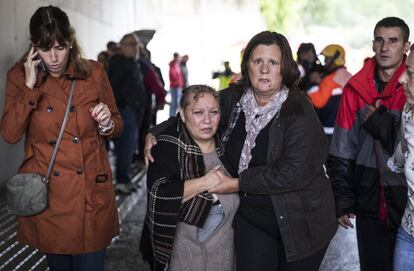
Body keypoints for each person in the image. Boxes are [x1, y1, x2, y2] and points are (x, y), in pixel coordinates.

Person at [145, 31, 337, 271]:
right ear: (248, 66)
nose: (264, 69)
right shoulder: (234, 98)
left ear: (284, 67)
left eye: (273, 62)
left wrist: (237, 183)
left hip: (302, 221)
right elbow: (194, 111)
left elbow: (293, 172)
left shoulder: (299, 111)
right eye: (258, 61)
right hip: (253, 216)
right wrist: (155, 132)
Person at [0, 5, 123, 271]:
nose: (54, 57)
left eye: (60, 47)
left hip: (91, 192)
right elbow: (9, 134)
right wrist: (30, 89)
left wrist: (106, 123)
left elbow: (117, 125)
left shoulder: (93, 73)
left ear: (71, 43)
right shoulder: (19, 77)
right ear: (33, 47)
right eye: (45, 49)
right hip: (50, 197)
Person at [327, 17, 410, 271]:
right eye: (380, 40)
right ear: (373, 45)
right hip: (368, 198)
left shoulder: (411, 86)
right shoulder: (355, 89)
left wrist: (381, 124)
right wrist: (342, 197)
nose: (385, 47)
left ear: (406, 46)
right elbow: (342, 146)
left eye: (393, 41)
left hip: (407, 199)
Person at [139, 84, 239, 271]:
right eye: (198, 112)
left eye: (214, 112)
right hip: (183, 261)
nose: (207, 121)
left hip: (224, 260)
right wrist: (205, 182)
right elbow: (159, 196)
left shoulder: (230, 151)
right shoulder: (166, 149)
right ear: (183, 115)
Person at [107, 33, 147, 194]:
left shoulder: (134, 63)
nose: (134, 47)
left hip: (133, 111)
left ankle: (126, 178)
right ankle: (122, 180)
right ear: (122, 46)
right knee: (124, 147)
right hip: (125, 111)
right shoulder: (118, 63)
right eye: (130, 44)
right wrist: (122, 106)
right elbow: (112, 88)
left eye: (136, 44)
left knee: (129, 147)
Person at [388, 44, 414, 271]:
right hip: (409, 232)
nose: (402, 79)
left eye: (412, 74)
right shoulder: (408, 111)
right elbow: (401, 153)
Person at [307, 44, 352, 137]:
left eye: (327, 59)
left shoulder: (331, 78)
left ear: (335, 59)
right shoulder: (349, 76)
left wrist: (313, 83)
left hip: (329, 131)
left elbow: (319, 101)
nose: (325, 62)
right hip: (347, 129)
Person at [169, 52, 185, 116]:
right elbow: (173, 75)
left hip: (178, 86)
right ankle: (172, 117)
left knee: (177, 103)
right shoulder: (172, 65)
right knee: (174, 103)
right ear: (176, 57)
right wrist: (177, 82)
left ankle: (175, 116)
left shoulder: (177, 65)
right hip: (174, 86)